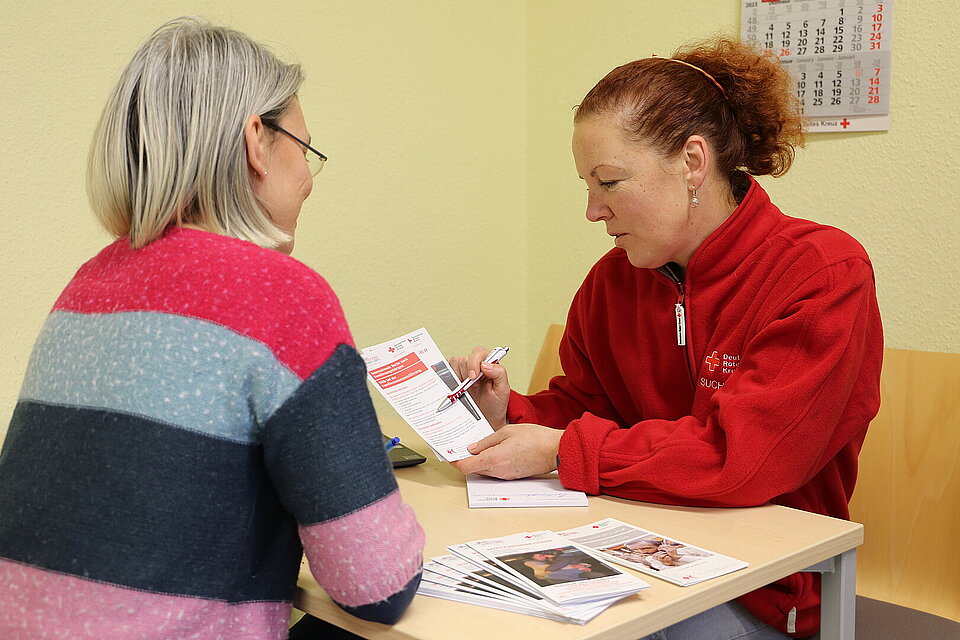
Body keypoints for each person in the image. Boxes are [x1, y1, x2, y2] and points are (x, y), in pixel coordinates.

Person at [0, 17, 423, 640]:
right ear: (258, 140)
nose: (307, 177)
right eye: (304, 149)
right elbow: (377, 584)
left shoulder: (86, 285)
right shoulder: (284, 293)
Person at [450, 36, 882, 640]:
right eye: (587, 184)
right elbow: (584, 409)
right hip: (625, 548)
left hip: (763, 590)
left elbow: (741, 461)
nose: (592, 210)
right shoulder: (613, 281)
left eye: (610, 182)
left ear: (693, 162)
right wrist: (505, 410)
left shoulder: (822, 273)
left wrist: (558, 451)